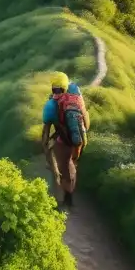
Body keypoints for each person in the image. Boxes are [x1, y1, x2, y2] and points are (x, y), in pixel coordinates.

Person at [42, 71, 89, 208]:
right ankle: (68, 196)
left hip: (64, 140)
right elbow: (84, 117)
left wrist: (47, 153)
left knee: (60, 171)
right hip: (79, 137)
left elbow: (45, 132)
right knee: (70, 166)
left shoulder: (50, 106)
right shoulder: (76, 93)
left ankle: (61, 201)